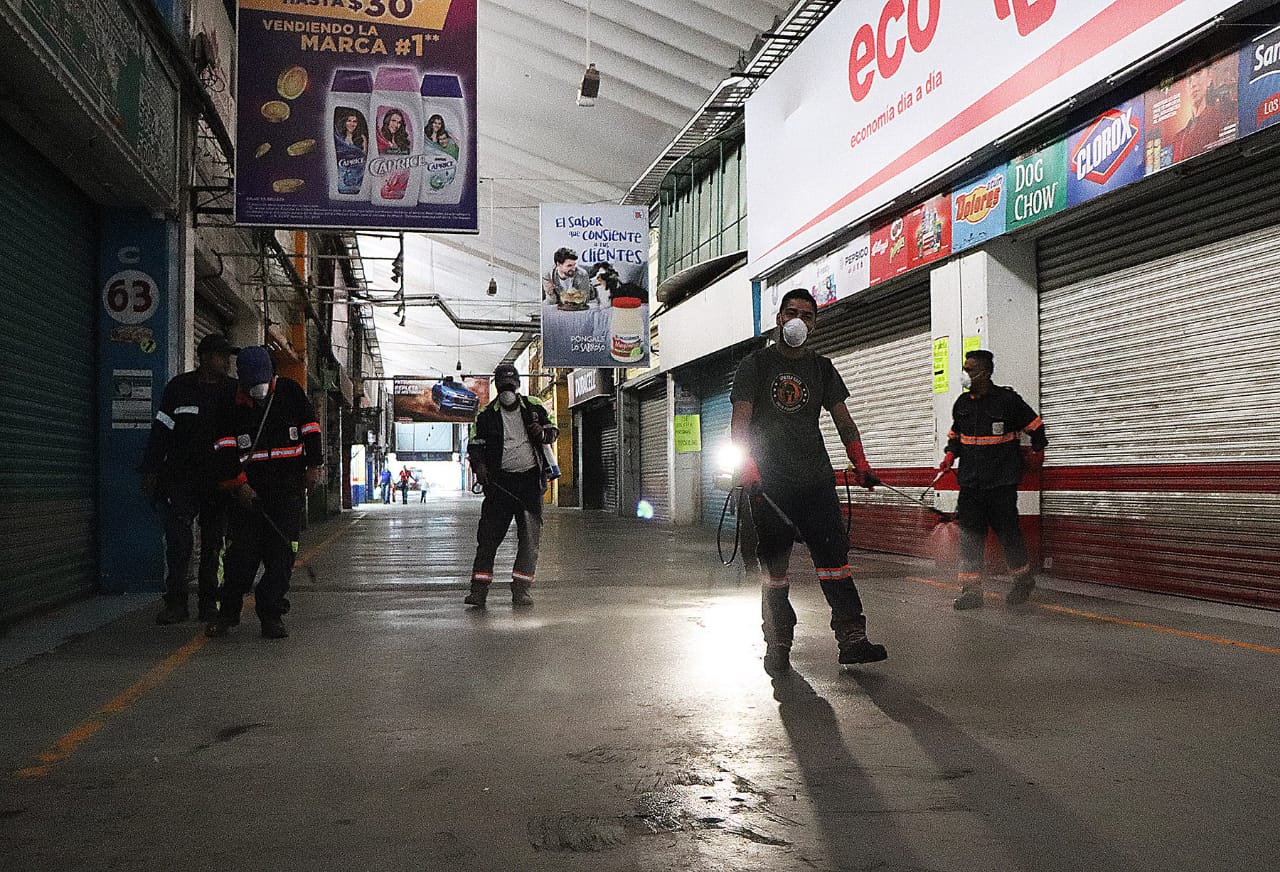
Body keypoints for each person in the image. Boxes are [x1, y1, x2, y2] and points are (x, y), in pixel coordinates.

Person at [730, 288, 887, 675]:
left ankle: (852, 638)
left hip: (815, 479)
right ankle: (778, 640)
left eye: (808, 315)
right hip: (769, 485)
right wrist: (746, 462)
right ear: (780, 318)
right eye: (792, 312)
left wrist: (860, 459)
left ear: (815, 324)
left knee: (835, 561)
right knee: (775, 569)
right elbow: (740, 420)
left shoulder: (821, 368)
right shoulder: (755, 365)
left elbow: (842, 418)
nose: (799, 319)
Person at [206, 346, 323, 639]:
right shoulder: (228, 402)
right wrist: (238, 484)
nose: (259, 389)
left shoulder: (290, 392)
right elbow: (224, 448)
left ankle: (272, 615)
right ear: (241, 378)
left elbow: (311, 429)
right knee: (240, 561)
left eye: (263, 382)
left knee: (281, 559)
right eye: (252, 383)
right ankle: (228, 614)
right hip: (247, 497)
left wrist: (314, 466)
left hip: (286, 493)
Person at [139, 334, 239, 624]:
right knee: (179, 544)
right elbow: (161, 430)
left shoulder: (233, 391)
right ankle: (176, 604)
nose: (228, 362)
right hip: (181, 480)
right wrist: (151, 469)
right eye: (222, 356)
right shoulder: (179, 388)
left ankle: (209, 602)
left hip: (217, 482)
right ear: (205, 357)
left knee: (212, 545)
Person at [941, 349, 1048, 609]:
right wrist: (949, 456)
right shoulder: (962, 405)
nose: (965, 375)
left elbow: (1037, 429)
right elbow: (955, 438)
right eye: (964, 369)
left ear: (985, 372)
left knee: (1009, 535)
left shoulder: (1008, 401)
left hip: (1001, 484)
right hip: (971, 484)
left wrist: (1036, 455)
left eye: (969, 370)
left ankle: (1023, 581)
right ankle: (971, 592)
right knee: (970, 538)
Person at [464, 363, 558, 608]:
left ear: (517, 385)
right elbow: (474, 445)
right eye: (502, 384)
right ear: (496, 386)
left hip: (529, 485)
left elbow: (553, 431)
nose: (507, 388)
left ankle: (521, 590)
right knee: (488, 539)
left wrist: (542, 431)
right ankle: (479, 590)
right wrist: (479, 467)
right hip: (499, 486)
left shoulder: (535, 407)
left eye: (510, 384)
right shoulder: (485, 415)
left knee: (529, 541)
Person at [1171, 64, 1237, 164]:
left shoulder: (1222, 118)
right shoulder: (1178, 138)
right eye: (1189, 80)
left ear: (1210, 77)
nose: (1193, 84)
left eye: (1198, 74)